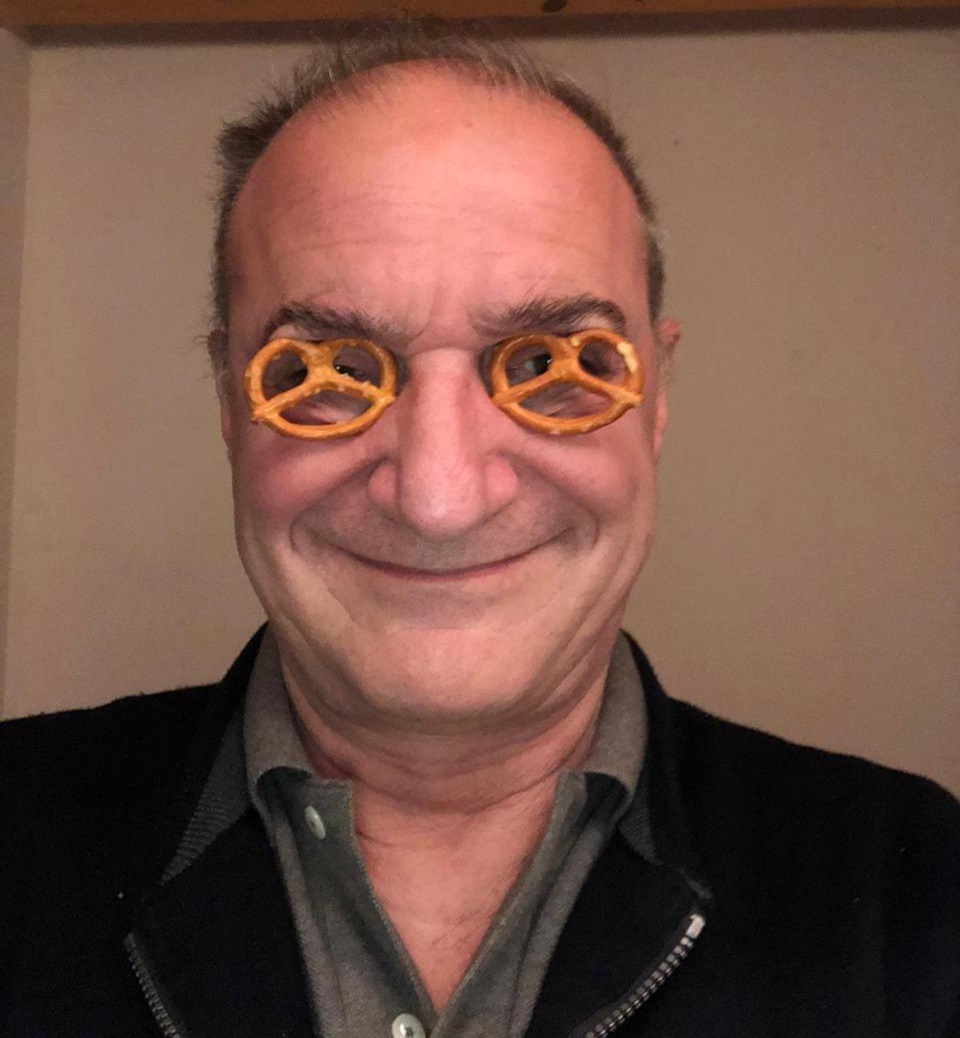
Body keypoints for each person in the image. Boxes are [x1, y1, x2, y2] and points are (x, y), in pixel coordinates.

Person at [1, 25, 958, 1038]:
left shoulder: (919, 896)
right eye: (327, 372)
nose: (440, 498)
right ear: (231, 406)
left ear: (658, 398)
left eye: (552, 365)